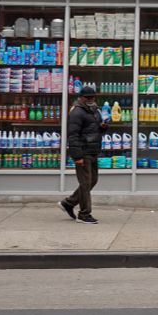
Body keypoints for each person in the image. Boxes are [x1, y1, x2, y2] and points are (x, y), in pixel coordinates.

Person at [60, 85, 106, 224]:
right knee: (85, 183)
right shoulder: (77, 112)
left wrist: (104, 127)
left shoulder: (95, 110)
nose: (91, 99)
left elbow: (95, 130)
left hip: (93, 150)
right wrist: (77, 156)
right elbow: (73, 135)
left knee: (93, 181)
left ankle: (69, 203)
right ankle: (84, 214)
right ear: (81, 97)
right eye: (88, 97)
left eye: (93, 97)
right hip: (83, 151)